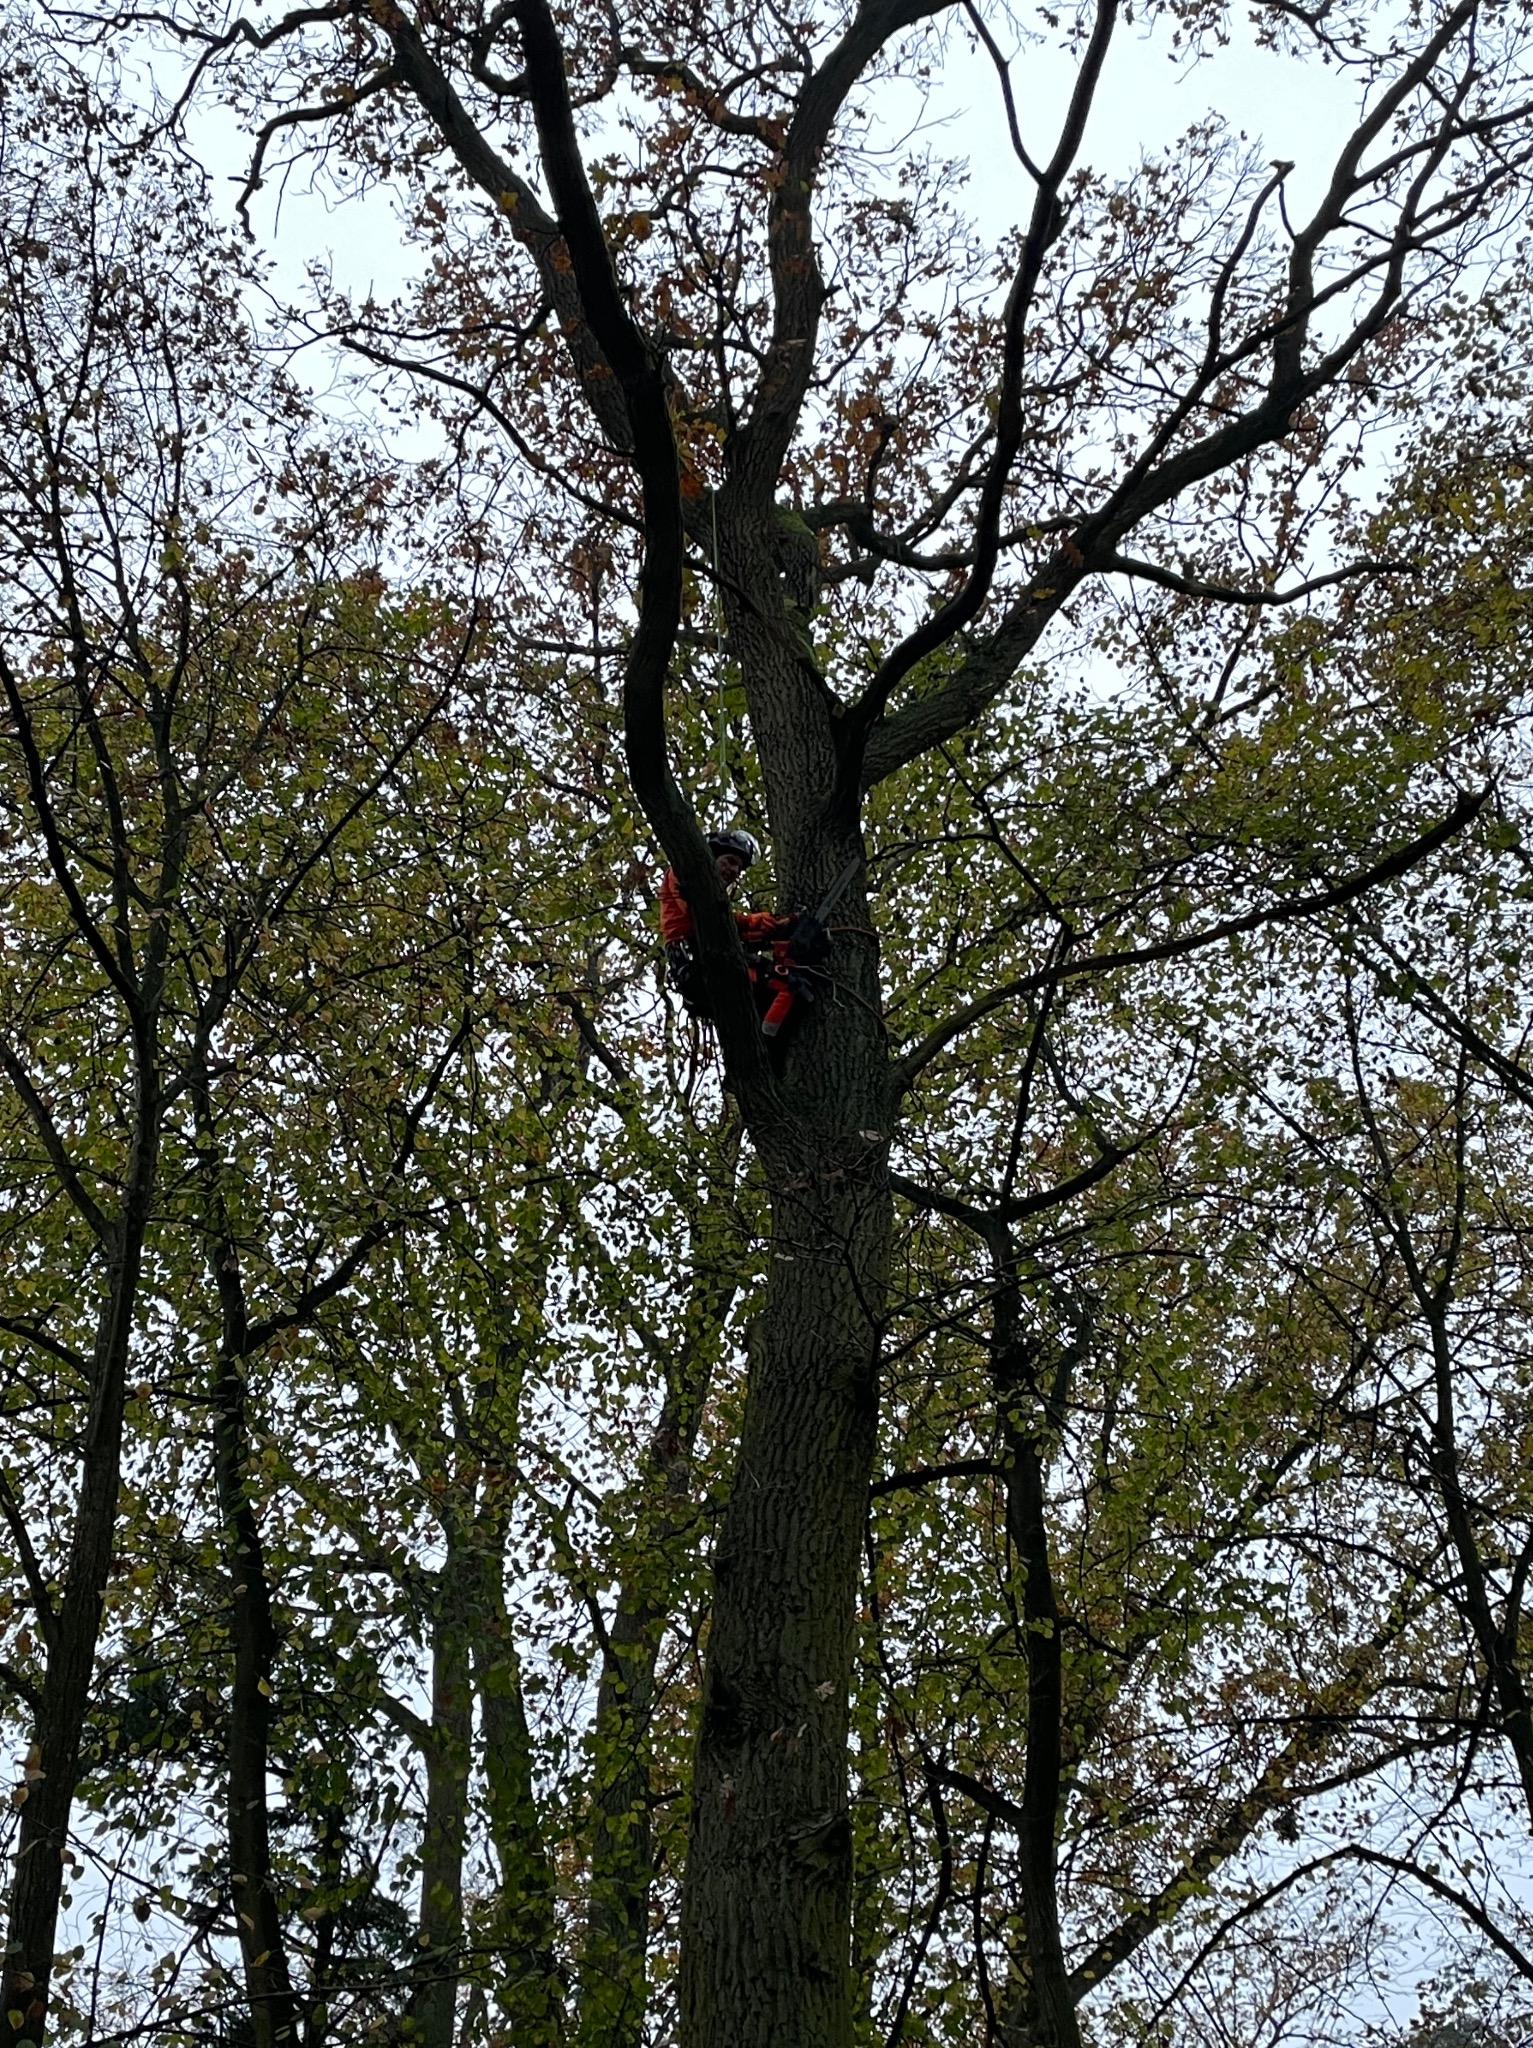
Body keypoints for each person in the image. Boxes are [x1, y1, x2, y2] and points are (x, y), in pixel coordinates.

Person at [660, 828, 798, 1017]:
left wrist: (768, 931)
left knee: (775, 994)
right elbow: (703, 913)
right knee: (784, 983)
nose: (734, 870)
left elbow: (727, 931)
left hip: (706, 963)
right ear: (713, 856)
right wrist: (750, 921)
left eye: (739, 869)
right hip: (697, 962)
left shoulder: (716, 902)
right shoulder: (684, 872)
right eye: (730, 861)